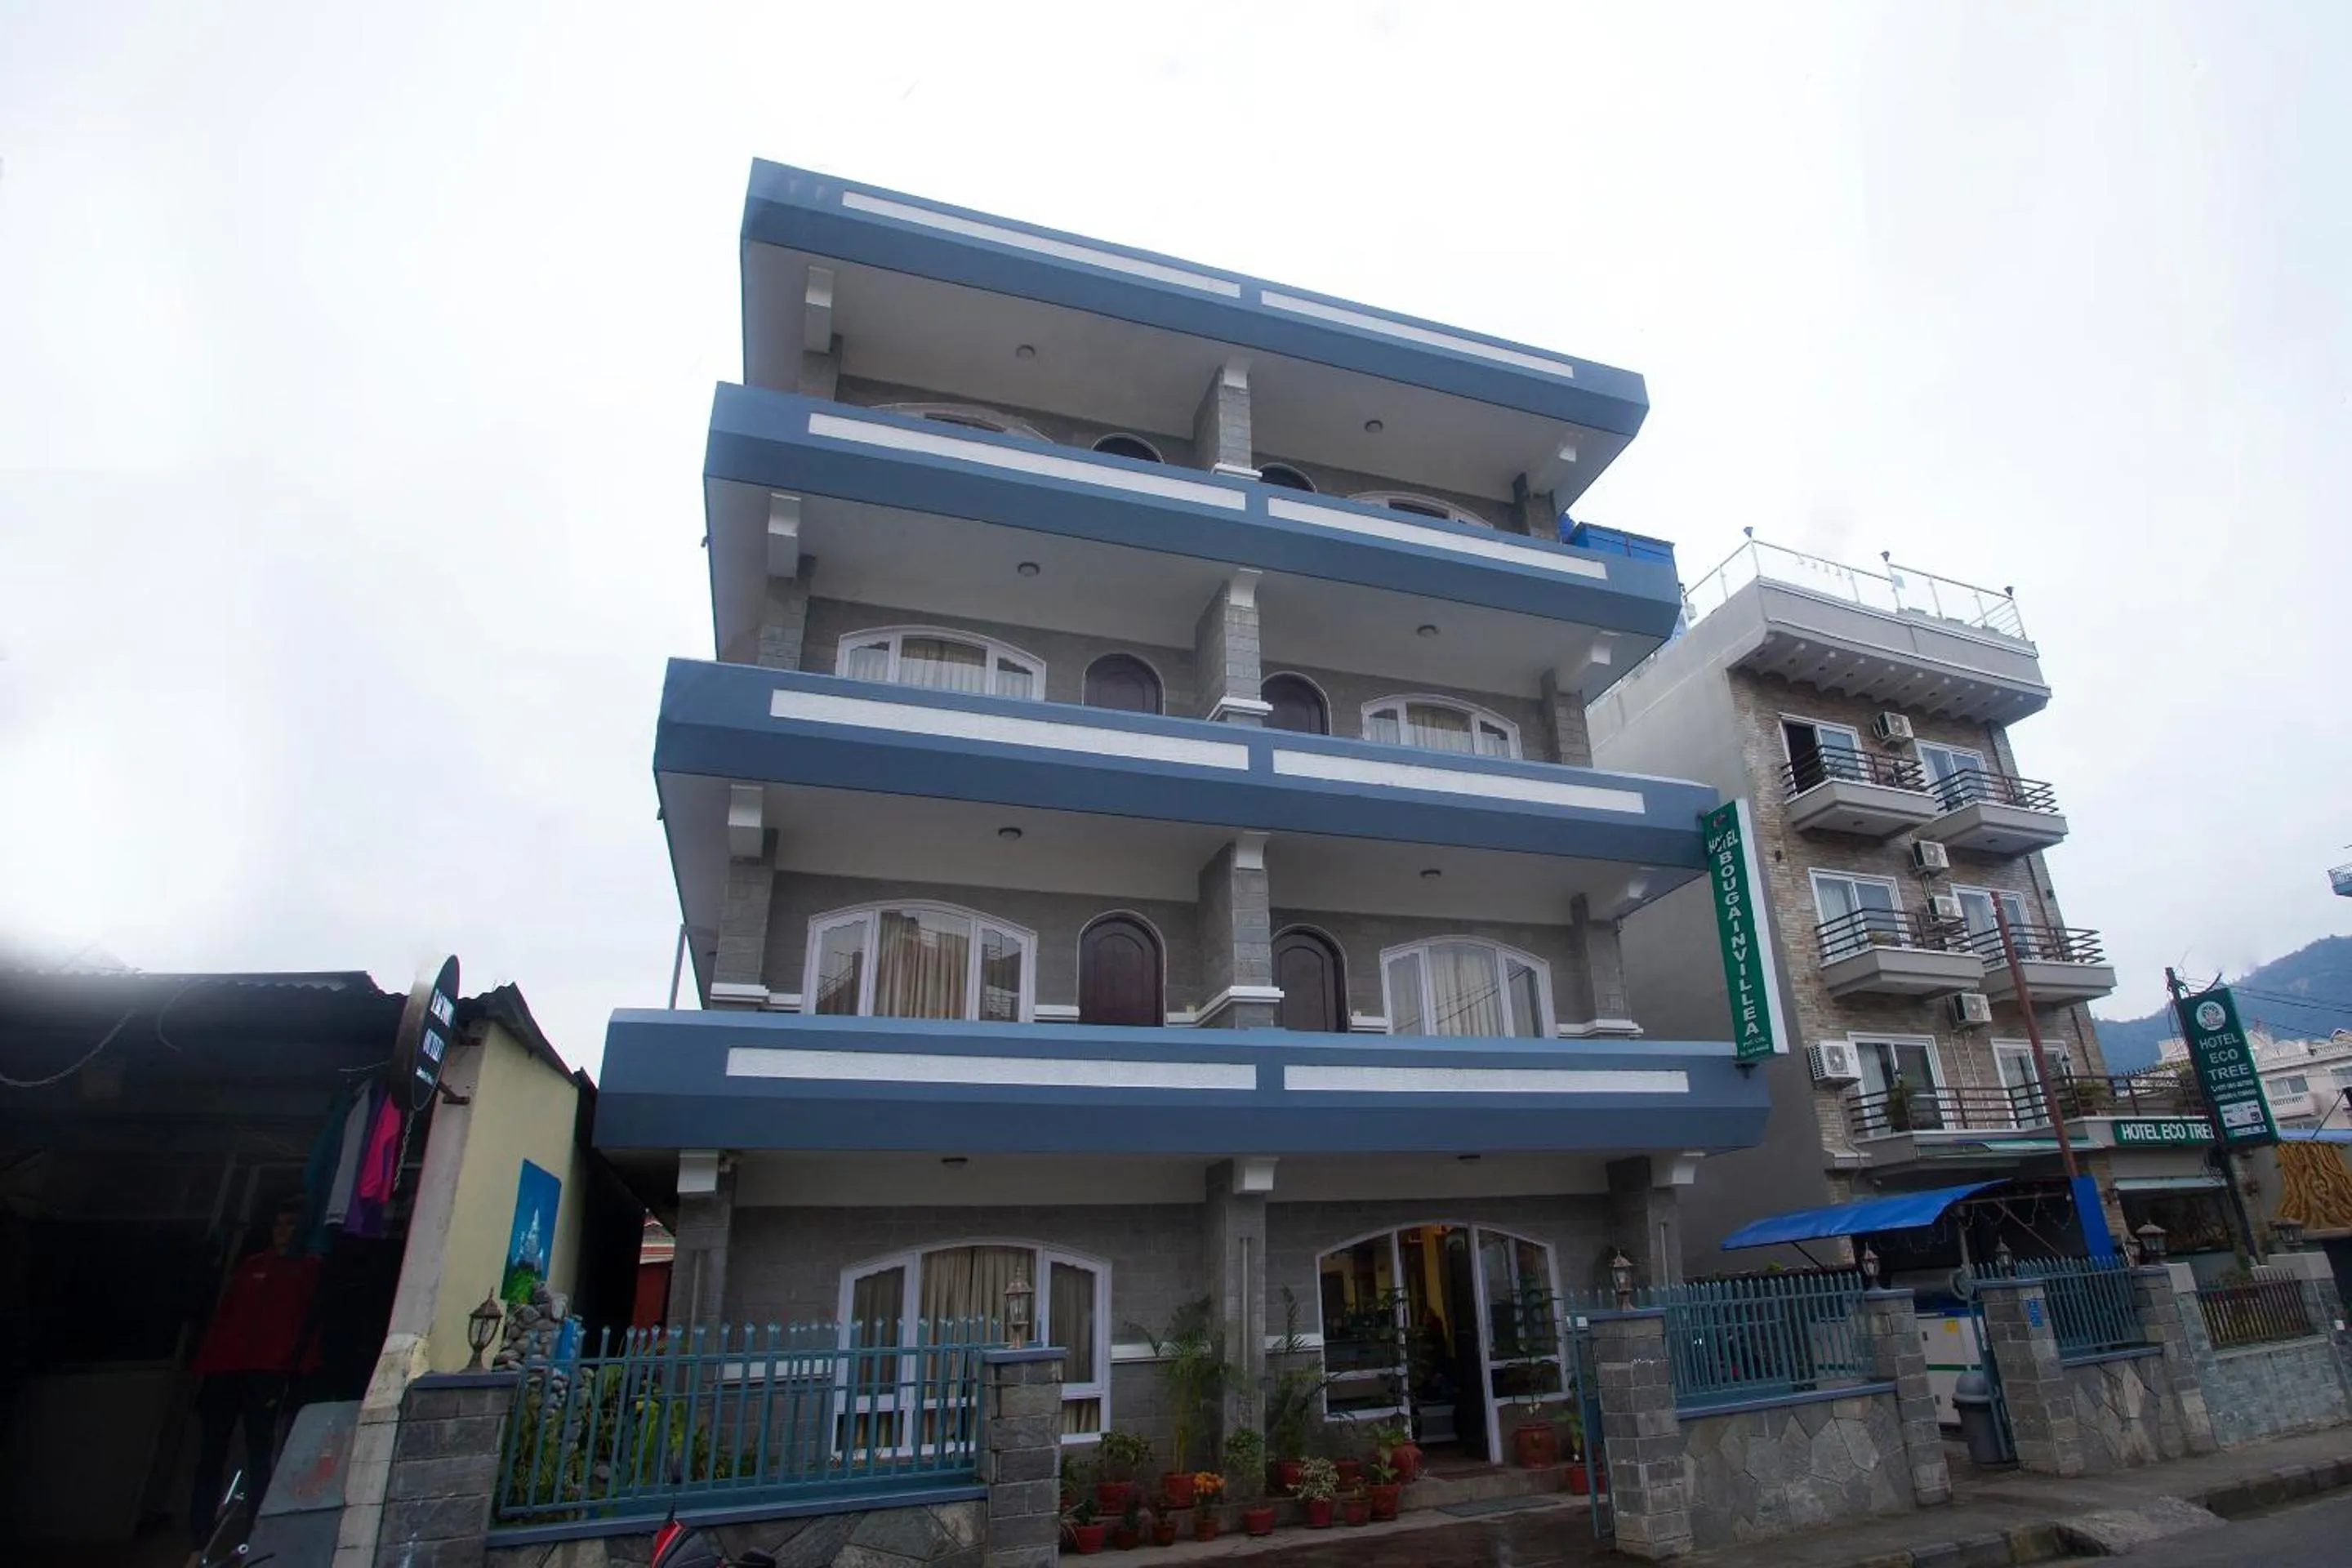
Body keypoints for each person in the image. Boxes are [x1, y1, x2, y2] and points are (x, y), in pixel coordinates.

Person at [186, 1202, 320, 1557]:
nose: (282, 1231)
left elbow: (309, 1325)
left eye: (290, 1224)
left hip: (270, 1373)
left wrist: (298, 1373)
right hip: (225, 1370)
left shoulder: (307, 1269)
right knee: (211, 1453)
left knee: (261, 1454)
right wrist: (204, 1369)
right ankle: (198, 1533)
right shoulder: (252, 1267)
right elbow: (224, 1320)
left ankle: (257, 1535)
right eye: (278, 1224)